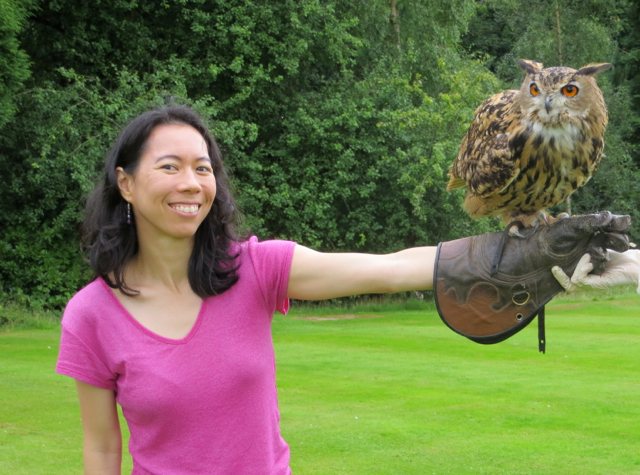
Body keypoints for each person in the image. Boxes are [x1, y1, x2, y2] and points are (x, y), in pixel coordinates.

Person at [55, 105, 628, 475]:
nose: (191, 183)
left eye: (203, 168)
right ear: (125, 184)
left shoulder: (255, 269)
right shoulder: (92, 316)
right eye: (170, 167)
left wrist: (511, 254)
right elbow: (103, 449)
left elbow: (388, 268)